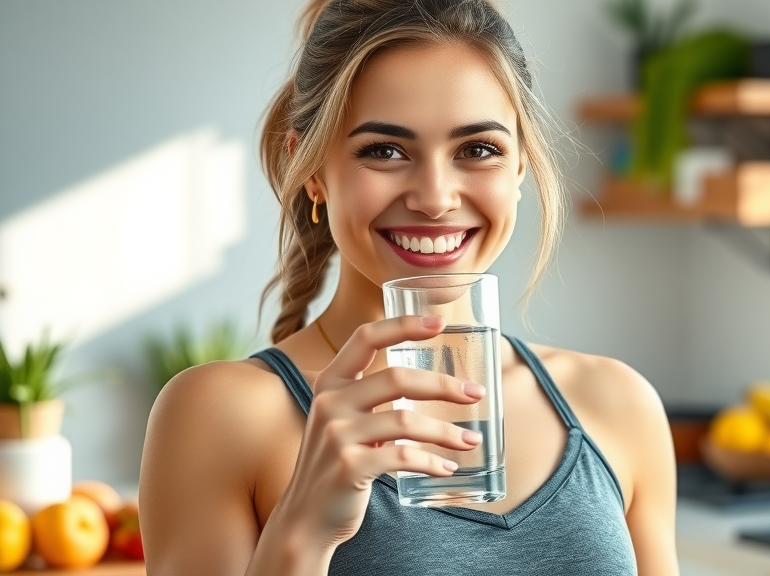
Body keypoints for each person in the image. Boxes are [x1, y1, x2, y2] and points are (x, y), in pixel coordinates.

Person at [139, 0, 678, 574]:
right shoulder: (222, 415)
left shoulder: (618, 404)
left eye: (478, 150)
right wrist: (302, 531)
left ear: (520, 164)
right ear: (314, 169)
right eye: (385, 151)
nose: (436, 197)